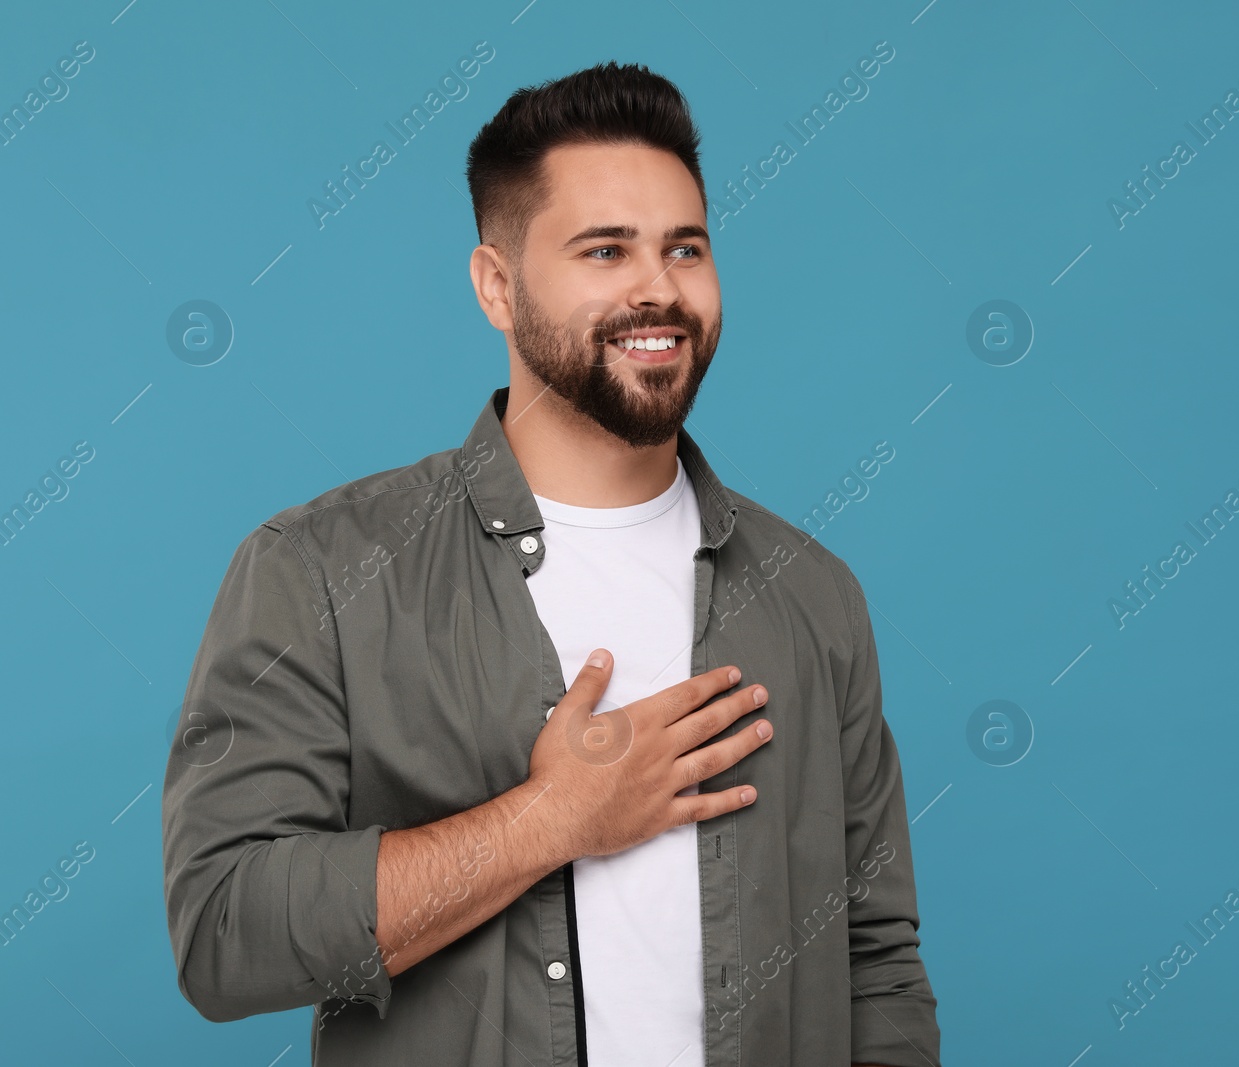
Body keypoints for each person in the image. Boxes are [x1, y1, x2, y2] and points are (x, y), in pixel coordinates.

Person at [161, 61, 940, 1067]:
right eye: (605, 249)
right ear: (497, 285)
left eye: (685, 248)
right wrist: (547, 821)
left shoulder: (809, 591)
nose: (658, 288)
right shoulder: (319, 571)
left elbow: (874, 958)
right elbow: (225, 935)